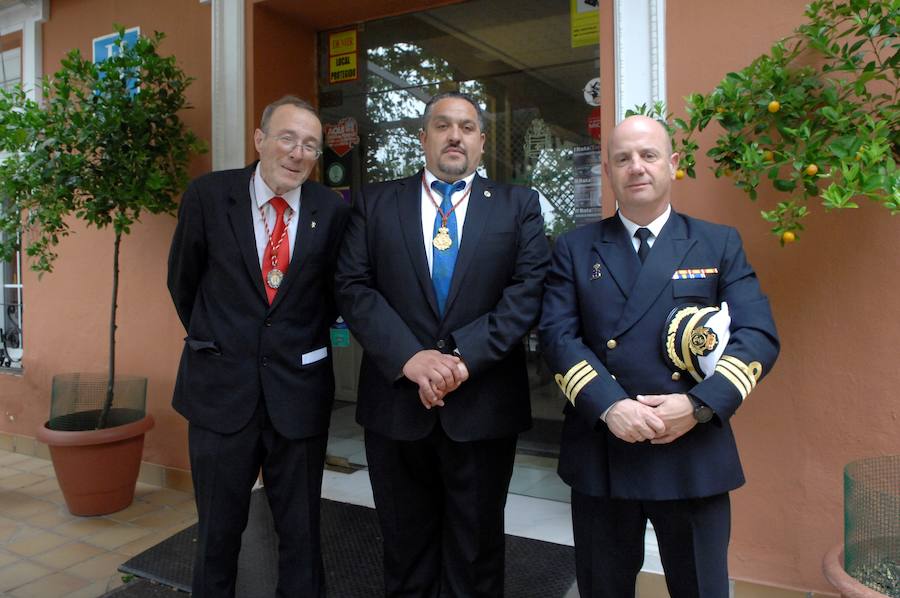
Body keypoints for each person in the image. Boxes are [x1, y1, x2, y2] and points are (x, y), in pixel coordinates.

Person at [539, 115, 780, 598]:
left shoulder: (717, 242)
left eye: (648, 155)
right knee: (603, 588)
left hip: (691, 450)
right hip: (603, 450)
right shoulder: (574, 248)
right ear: (608, 171)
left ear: (672, 165)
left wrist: (697, 405)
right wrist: (610, 406)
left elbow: (757, 335)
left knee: (700, 588)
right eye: (623, 158)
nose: (636, 167)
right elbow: (557, 337)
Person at [335, 91, 550, 597]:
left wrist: (458, 360)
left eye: (468, 127)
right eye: (443, 125)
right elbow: (352, 285)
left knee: (475, 550)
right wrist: (410, 358)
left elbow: (528, 292)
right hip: (395, 405)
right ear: (423, 136)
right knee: (403, 545)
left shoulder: (520, 206)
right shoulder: (374, 202)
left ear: (481, 142)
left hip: (483, 406)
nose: (456, 135)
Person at [167, 95, 349, 597]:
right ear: (260, 140)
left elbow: (336, 293)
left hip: (300, 394)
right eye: (288, 138)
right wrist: (225, 342)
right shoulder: (208, 196)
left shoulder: (330, 211)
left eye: (310, 145)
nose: (298, 153)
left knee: (301, 534)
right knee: (218, 535)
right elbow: (183, 284)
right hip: (220, 392)